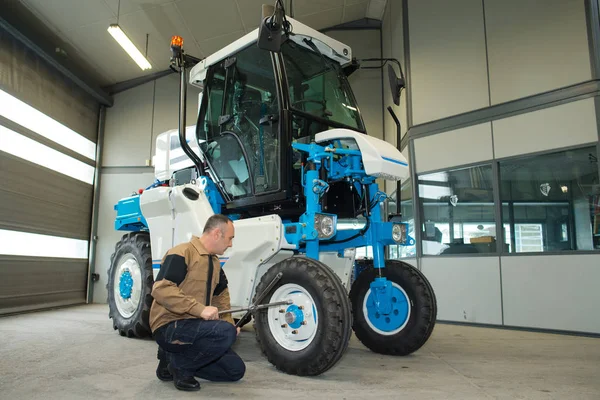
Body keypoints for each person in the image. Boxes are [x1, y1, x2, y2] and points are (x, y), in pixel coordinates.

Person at [149, 214, 245, 391]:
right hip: (169, 325)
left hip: (195, 328)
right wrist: (199, 309)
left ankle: (171, 359)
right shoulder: (181, 252)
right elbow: (161, 289)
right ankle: (181, 367)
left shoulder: (215, 263)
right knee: (224, 333)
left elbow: (221, 298)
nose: (231, 244)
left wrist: (229, 324)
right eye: (230, 238)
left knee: (235, 371)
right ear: (217, 233)